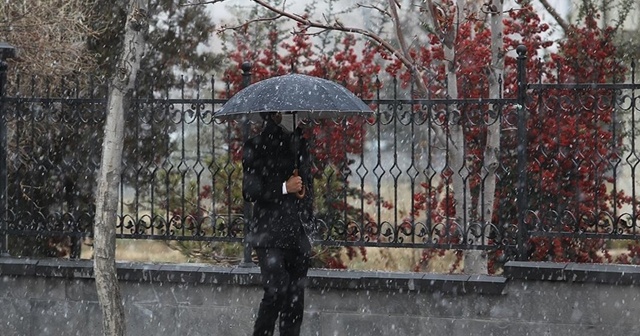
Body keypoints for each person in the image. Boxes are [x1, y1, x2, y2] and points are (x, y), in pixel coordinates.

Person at [242, 112, 313, 336]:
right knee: (276, 291)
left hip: (296, 235)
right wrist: (284, 187)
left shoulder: (300, 145)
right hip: (269, 234)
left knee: (294, 301)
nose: (301, 119)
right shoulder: (256, 146)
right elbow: (250, 191)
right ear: (278, 115)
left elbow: (307, 186)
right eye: (297, 114)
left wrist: (304, 193)